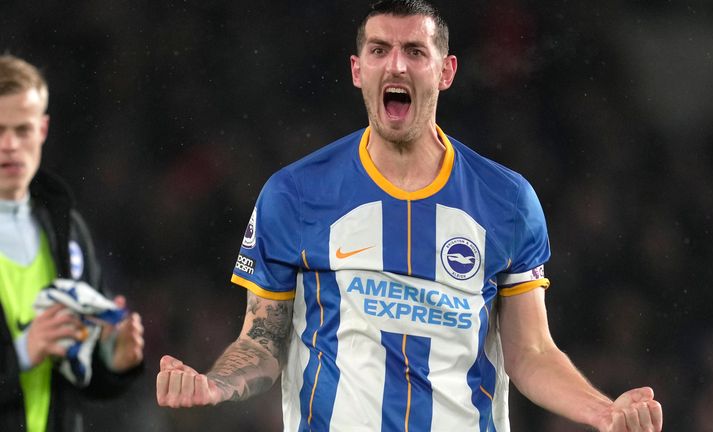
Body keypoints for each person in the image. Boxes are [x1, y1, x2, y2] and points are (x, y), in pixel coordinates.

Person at [156, 1, 663, 430]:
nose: (396, 66)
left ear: (446, 72)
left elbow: (529, 353)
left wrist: (603, 412)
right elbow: (263, 340)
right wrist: (215, 384)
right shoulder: (293, 194)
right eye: (380, 50)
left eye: (415, 51)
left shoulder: (507, 201)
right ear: (358, 70)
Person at [0, 54, 145, 432]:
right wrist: (19, 354)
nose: (10, 145)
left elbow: (81, 373)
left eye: (23, 130)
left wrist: (114, 358)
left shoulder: (66, 228)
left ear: (43, 129)